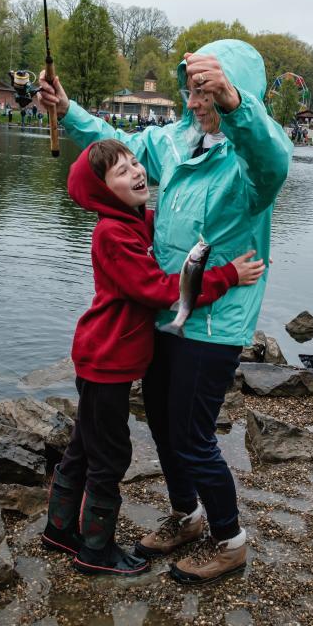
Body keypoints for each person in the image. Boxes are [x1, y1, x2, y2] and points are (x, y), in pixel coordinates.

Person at [36, 39, 292, 584]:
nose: (197, 101)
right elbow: (117, 146)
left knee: (193, 434)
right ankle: (186, 515)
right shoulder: (173, 141)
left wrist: (235, 103)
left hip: (215, 320)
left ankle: (231, 540)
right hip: (165, 313)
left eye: (209, 92)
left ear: (232, 90)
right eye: (194, 89)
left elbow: (273, 158)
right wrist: (66, 110)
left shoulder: (250, 163)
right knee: (163, 423)